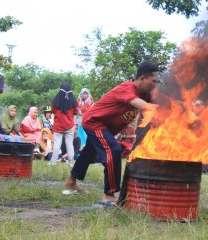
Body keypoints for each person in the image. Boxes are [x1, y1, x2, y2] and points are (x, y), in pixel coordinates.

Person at [62, 62, 159, 206]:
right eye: (154, 81)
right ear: (142, 78)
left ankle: (70, 182)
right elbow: (145, 107)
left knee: (89, 151)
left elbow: (159, 102)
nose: (155, 85)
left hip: (107, 127)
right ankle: (109, 195)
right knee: (113, 149)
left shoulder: (146, 93)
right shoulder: (127, 88)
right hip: (95, 122)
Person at [49, 83, 78, 165]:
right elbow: (76, 112)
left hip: (58, 126)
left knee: (57, 144)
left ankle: (53, 162)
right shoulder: (73, 101)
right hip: (69, 126)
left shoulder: (55, 100)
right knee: (70, 144)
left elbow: (53, 111)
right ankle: (71, 162)